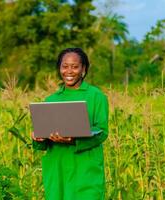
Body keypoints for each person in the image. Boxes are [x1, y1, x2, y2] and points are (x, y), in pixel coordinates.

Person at [32, 47, 109, 200]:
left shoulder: (96, 96)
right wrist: (38, 138)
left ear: (83, 69)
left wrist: (74, 140)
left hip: (85, 169)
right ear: (59, 68)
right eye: (65, 66)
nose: (69, 71)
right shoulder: (51, 100)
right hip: (57, 168)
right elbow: (42, 144)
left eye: (75, 67)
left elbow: (102, 133)